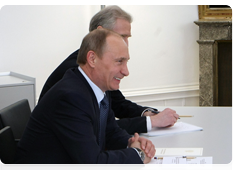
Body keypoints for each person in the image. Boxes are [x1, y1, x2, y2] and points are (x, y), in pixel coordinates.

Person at [11, 28, 155, 170]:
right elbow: (93, 164)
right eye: (119, 61)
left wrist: (130, 142)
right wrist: (138, 154)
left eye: (126, 62)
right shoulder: (70, 97)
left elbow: (110, 131)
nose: (126, 71)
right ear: (92, 59)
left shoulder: (96, 88)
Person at [39, 5, 179, 135]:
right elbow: (101, 130)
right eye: (121, 36)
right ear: (100, 32)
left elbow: (117, 104)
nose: (125, 43)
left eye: (127, 38)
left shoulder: (92, 67)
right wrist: (152, 122)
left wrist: (147, 114)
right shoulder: (76, 71)